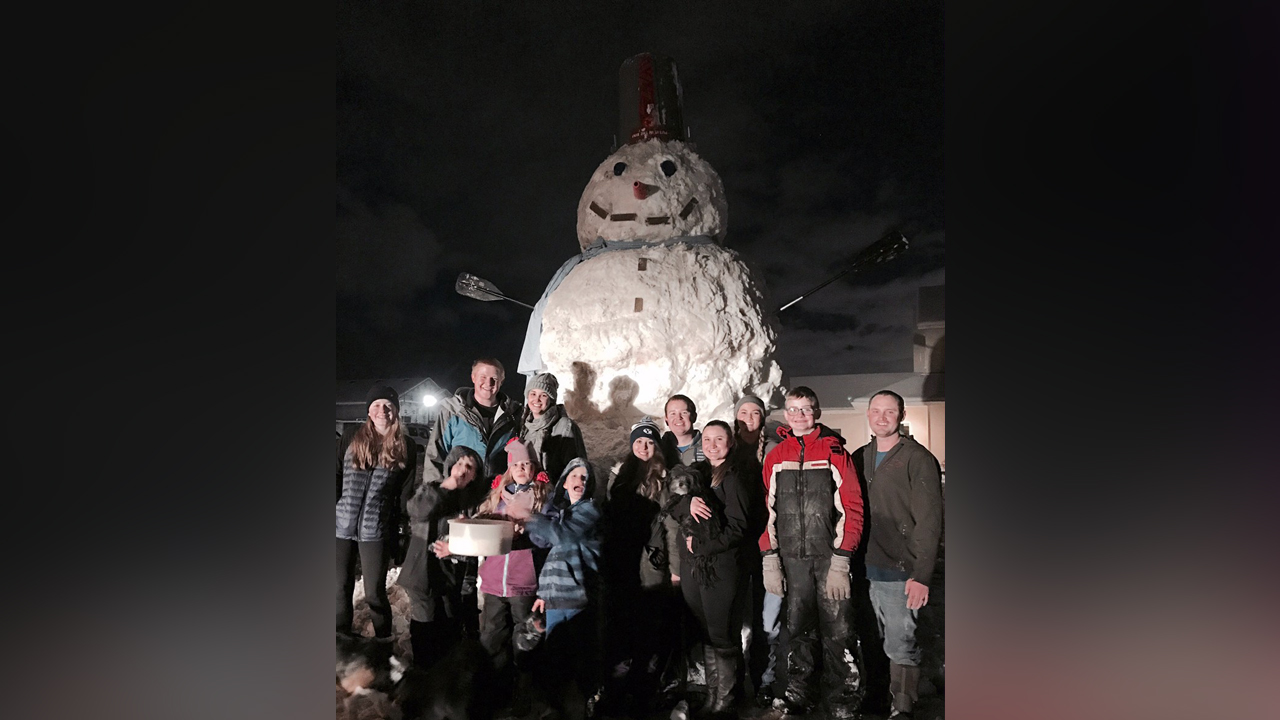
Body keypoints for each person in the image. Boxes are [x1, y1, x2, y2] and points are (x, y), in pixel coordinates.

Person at [759, 386, 866, 719]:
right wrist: (770, 557)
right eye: (793, 409)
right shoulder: (776, 457)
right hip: (793, 560)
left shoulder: (834, 452)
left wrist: (842, 558)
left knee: (839, 630)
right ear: (786, 414)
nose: (799, 416)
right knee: (798, 630)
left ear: (817, 412)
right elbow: (767, 511)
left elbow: (853, 507)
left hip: (828, 558)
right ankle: (799, 694)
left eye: (806, 409)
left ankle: (842, 700)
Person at [856, 390, 943, 719]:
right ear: (868, 415)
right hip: (865, 567)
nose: (882, 417)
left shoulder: (917, 458)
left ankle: (903, 706)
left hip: (901, 569)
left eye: (889, 411)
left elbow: (930, 522)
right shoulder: (860, 456)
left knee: (901, 641)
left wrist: (921, 575)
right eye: (875, 410)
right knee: (872, 639)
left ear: (901, 415)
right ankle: (878, 698)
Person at [596, 418, 683, 716]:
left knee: (647, 626)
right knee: (620, 625)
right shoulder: (620, 475)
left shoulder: (664, 478)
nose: (644, 447)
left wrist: (675, 569)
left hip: (651, 562)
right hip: (621, 560)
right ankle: (616, 690)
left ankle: (643, 690)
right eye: (639, 442)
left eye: (649, 442)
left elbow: (672, 527)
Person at [666, 421, 753, 717]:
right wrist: (687, 503)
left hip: (720, 567)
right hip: (694, 567)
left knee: (721, 634)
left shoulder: (733, 478)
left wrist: (702, 547)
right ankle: (713, 695)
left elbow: (739, 527)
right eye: (708, 439)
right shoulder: (699, 474)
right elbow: (672, 504)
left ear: (730, 443)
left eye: (720, 439)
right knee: (706, 633)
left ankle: (726, 700)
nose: (713, 445)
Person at [514, 457, 603, 720]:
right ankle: (556, 709)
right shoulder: (565, 514)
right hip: (557, 600)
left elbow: (562, 536)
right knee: (555, 660)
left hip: (578, 599)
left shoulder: (590, 511)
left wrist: (529, 516)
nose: (579, 481)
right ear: (564, 482)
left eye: (584, 477)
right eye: (574, 476)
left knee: (578, 661)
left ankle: (581, 707)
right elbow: (553, 553)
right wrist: (544, 593)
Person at [336, 384, 420, 640]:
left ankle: (383, 644)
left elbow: (404, 494)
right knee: (339, 588)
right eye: (376, 406)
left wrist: (403, 532)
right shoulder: (351, 436)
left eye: (389, 406)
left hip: (376, 530)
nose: (382, 411)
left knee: (374, 592)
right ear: (368, 411)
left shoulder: (406, 445)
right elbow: (335, 474)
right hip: (340, 526)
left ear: (396, 411)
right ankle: (339, 643)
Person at [475, 438, 551, 717]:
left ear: (534, 468)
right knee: (492, 637)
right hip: (494, 581)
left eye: (526, 464)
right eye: (516, 464)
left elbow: (549, 538)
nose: (521, 468)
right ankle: (495, 693)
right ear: (509, 468)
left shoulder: (542, 497)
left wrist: (527, 532)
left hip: (524, 580)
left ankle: (524, 696)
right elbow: (480, 529)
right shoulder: (497, 496)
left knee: (525, 639)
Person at [396, 445, 484, 670]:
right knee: (425, 625)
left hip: (450, 576)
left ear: (475, 475)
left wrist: (454, 547)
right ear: (450, 466)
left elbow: (478, 539)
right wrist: (445, 488)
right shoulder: (433, 489)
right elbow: (415, 510)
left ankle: (442, 679)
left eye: (470, 467)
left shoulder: (472, 504)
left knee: (448, 626)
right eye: (460, 463)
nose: (463, 469)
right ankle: (423, 676)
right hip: (422, 571)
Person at [730, 395, 786, 705]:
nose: (749, 418)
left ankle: (764, 681)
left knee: (767, 621)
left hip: (769, 545)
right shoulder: (726, 450)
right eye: (743, 412)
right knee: (733, 619)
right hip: (736, 548)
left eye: (755, 413)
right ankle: (735, 683)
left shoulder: (776, 449)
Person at [424, 357, 523, 485]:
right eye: (483, 377)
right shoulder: (453, 412)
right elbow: (435, 454)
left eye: (495, 378)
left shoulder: (513, 415)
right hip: (461, 493)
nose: (489, 383)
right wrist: (436, 492)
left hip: (498, 495)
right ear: (473, 377)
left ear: (502, 381)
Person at [518, 372, 588, 485]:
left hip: (553, 496)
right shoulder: (525, 427)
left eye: (543, 395)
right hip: (529, 495)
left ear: (551, 399)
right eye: (533, 394)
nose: (537, 399)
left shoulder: (565, 426)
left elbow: (576, 467)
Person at [660, 394, 704, 466]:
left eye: (684, 413)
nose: (678, 417)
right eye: (673, 413)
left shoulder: (708, 447)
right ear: (666, 419)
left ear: (694, 416)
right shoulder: (659, 449)